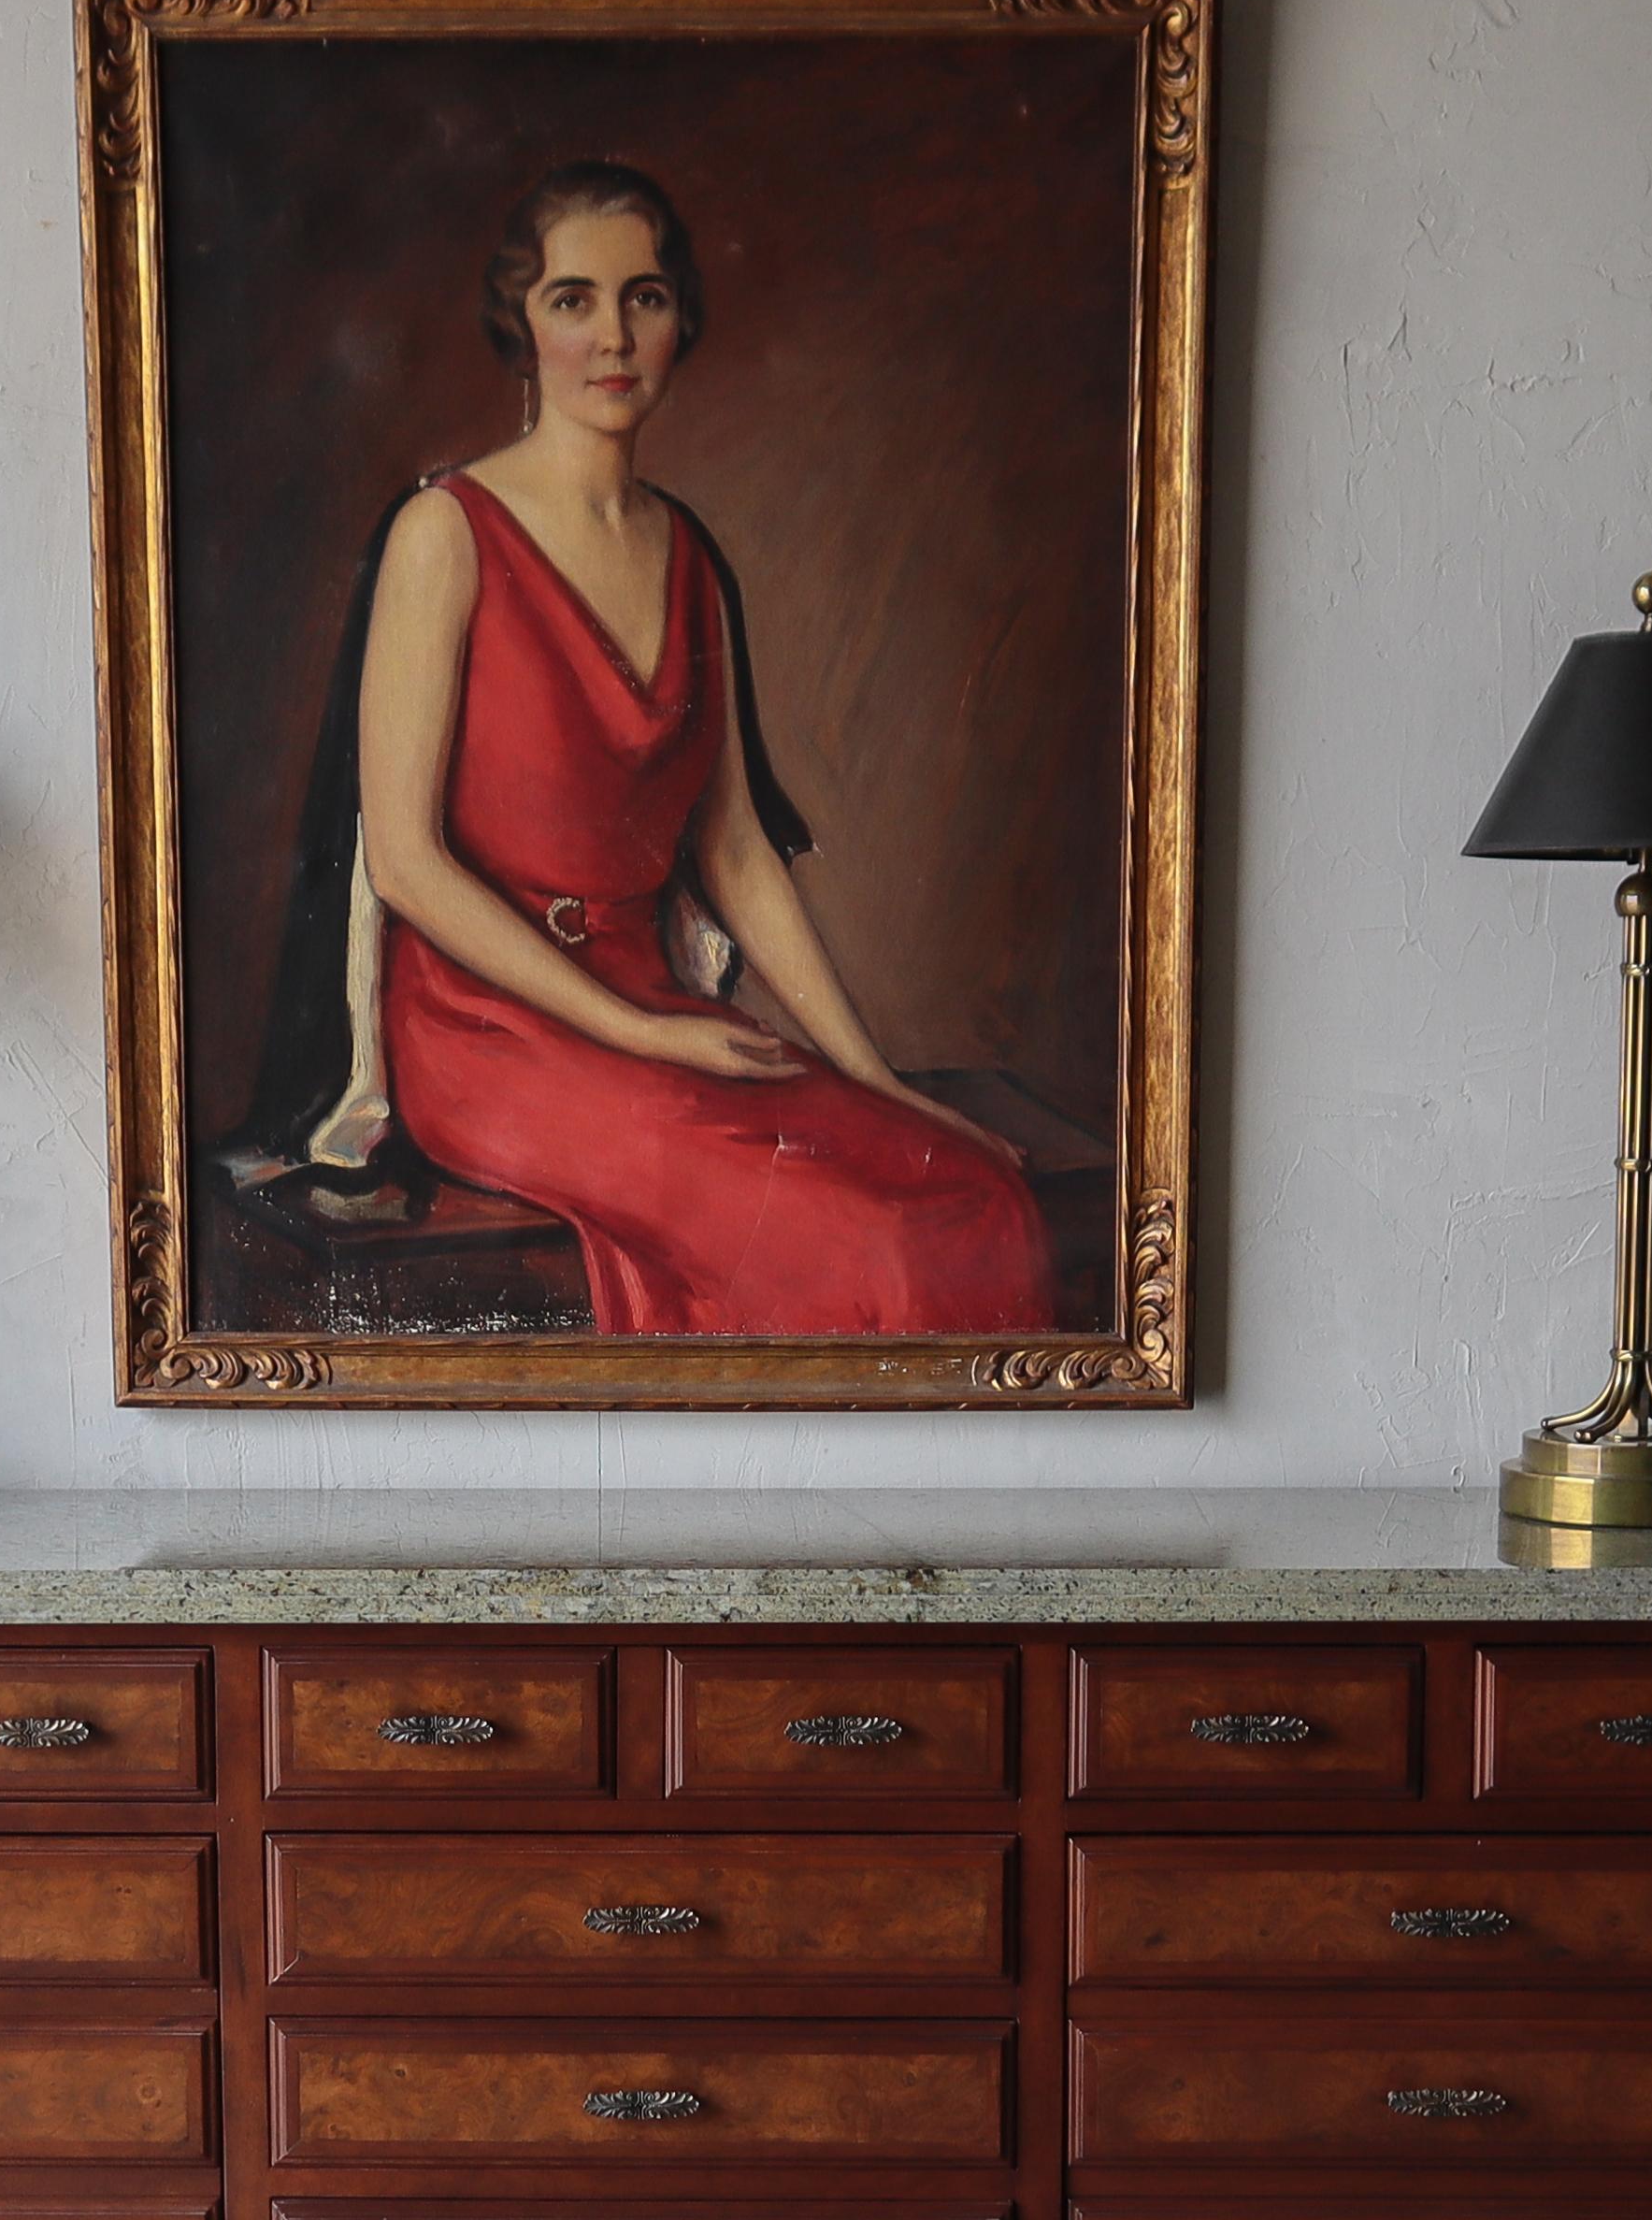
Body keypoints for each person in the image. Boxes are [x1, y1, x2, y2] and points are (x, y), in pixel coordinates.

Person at [236, 159, 1054, 1339]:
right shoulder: (444, 534)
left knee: (971, 1192)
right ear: (523, 323)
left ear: (680, 322)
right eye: (573, 299)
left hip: (648, 1000)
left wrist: (870, 1075)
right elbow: (405, 866)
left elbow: (731, 846)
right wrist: (636, 1031)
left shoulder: (691, 561)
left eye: (645, 297)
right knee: (858, 1235)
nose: (612, 336)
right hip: (486, 1037)